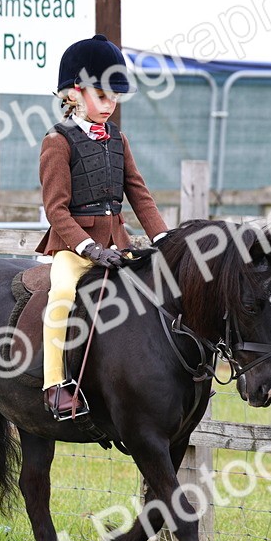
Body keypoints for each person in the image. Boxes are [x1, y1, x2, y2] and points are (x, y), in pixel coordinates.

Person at [37, 34, 170, 420]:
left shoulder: (118, 139)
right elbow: (56, 210)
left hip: (119, 244)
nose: (109, 105)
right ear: (75, 93)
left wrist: (163, 238)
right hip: (73, 250)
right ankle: (54, 385)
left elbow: (139, 193)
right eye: (101, 95)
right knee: (60, 295)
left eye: (114, 98)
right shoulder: (57, 142)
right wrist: (89, 250)